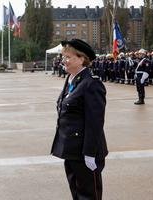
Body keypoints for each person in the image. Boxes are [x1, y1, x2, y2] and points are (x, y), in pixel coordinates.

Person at [51, 39, 108, 200]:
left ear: (81, 58)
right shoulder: (72, 80)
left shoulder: (91, 84)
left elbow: (95, 123)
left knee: (89, 195)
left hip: (85, 153)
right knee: (76, 193)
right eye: (63, 57)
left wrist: (89, 153)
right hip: (71, 150)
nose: (64, 60)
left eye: (68, 57)